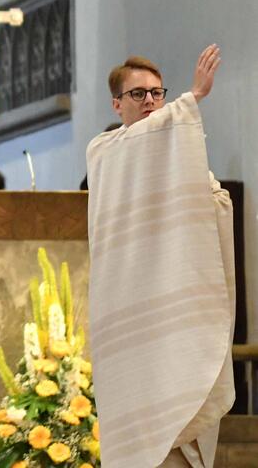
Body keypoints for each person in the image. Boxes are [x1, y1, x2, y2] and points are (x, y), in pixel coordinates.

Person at [86, 47, 233, 467]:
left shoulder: (179, 161)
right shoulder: (105, 152)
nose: (150, 101)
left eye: (157, 93)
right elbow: (142, 146)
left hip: (171, 311)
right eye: (138, 95)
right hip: (128, 315)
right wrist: (193, 97)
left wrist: (214, 202)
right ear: (116, 104)